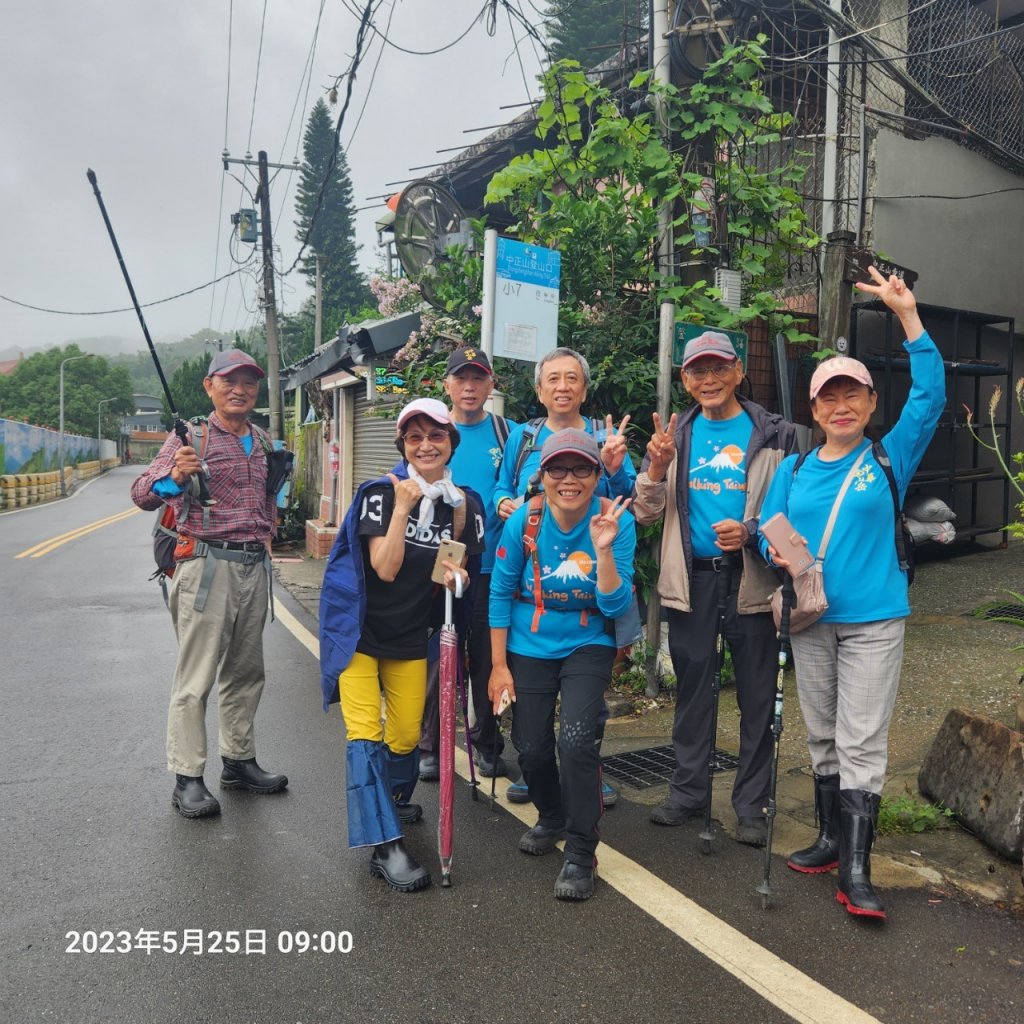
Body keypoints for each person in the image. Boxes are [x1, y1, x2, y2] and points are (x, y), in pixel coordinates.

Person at [758, 267, 944, 919]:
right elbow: (766, 535)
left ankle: (858, 868)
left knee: (862, 737)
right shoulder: (794, 468)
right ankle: (832, 837)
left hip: (873, 621)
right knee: (824, 736)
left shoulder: (889, 456)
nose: (841, 406)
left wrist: (907, 317)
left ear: (868, 406)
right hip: (810, 620)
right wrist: (781, 558)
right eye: (829, 397)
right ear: (814, 410)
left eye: (853, 396)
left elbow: (930, 394)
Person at [633, 331, 798, 846]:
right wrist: (655, 467)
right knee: (694, 690)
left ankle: (751, 805)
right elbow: (645, 512)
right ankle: (687, 792)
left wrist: (749, 532)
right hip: (693, 580)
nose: (709, 380)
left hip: (754, 579)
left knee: (755, 693)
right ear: (685, 379)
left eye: (718, 369)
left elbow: (793, 509)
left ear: (738, 372)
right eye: (698, 371)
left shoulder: (775, 434)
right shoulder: (673, 435)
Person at [319, 398, 485, 893]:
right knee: (366, 732)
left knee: (408, 735)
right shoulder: (380, 493)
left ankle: (388, 801)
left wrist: (457, 576)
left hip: (412, 636)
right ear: (403, 447)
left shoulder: (464, 504)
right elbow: (386, 567)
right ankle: (384, 843)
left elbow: (453, 572)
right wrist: (405, 509)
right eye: (414, 437)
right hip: (359, 635)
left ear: (451, 443)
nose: (426, 445)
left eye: (436, 435)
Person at [130, 348, 286, 819]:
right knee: (195, 677)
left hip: (254, 568)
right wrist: (174, 477)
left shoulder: (261, 439)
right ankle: (188, 778)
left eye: (249, 383)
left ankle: (238, 762)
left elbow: (268, 501)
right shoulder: (190, 437)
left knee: (246, 673)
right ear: (209, 386)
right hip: (206, 565)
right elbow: (141, 494)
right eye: (229, 381)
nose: (240, 390)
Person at [489, 429, 636, 901]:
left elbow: (615, 607)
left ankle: (580, 849)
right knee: (529, 747)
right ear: (543, 475)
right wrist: (498, 666)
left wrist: (606, 548)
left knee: (575, 743)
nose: (568, 479)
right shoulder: (525, 520)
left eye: (581, 469)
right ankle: (550, 815)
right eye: (558, 468)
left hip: (589, 639)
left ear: (597, 475)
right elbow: (498, 592)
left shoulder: (615, 520)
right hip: (529, 641)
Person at [493, 346, 635, 807]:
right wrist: (505, 506)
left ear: (584, 388)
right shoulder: (524, 436)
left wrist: (613, 469)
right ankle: (542, 776)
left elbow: (624, 501)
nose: (562, 386)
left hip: (593, 572)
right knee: (532, 739)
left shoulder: (602, 436)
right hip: (533, 565)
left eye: (571, 378)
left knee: (582, 715)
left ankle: (583, 771)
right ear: (538, 390)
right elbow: (501, 484)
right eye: (552, 379)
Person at [417, 348, 514, 782]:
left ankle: (487, 741)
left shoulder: (507, 434)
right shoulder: (434, 433)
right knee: (442, 655)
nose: (470, 386)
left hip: (497, 565)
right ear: (447, 385)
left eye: (479, 378)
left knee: (486, 656)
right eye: (461, 378)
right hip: (446, 562)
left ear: (491, 385)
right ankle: (431, 745)